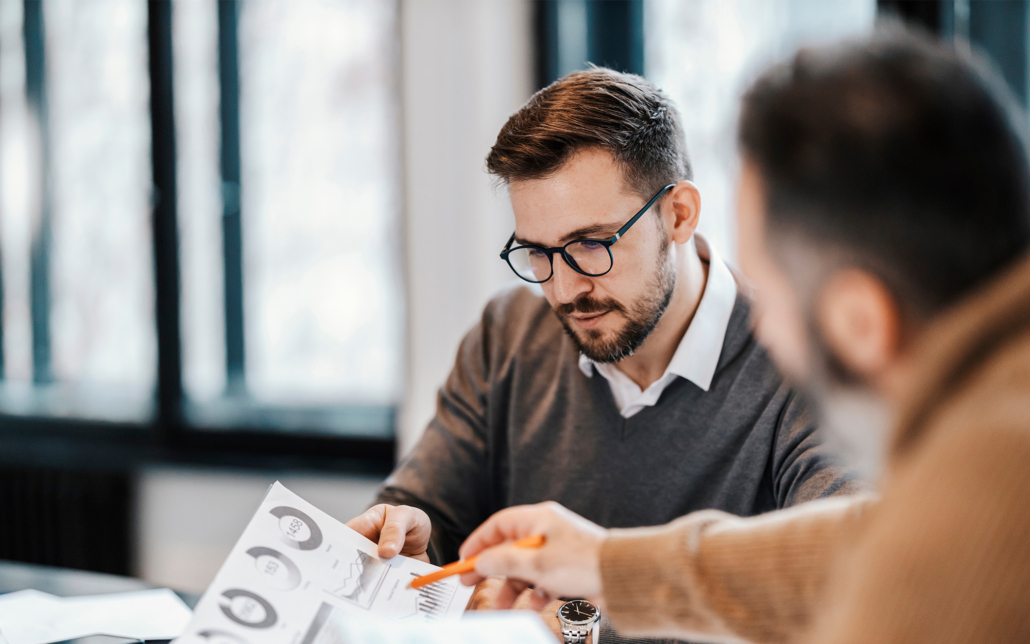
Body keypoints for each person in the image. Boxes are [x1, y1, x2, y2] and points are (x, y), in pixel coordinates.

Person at [458, 27, 1030, 644]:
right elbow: (857, 543)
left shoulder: (992, 482)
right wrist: (607, 567)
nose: (758, 327)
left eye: (769, 294)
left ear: (861, 321)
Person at [344, 69, 862, 640]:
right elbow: (430, 516)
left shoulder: (804, 363)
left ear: (679, 215)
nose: (564, 291)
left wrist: (577, 625)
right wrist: (411, 537)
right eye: (538, 253)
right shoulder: (509, 335)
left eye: (591, 244)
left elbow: (847, 585)